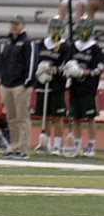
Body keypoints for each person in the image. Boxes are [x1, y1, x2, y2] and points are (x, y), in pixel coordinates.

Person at [64, 16, 102, 157]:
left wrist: (83, 72)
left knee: (90, 117)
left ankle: (91, 145)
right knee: (76, 118)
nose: (83, 31)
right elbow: (67, 64)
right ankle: (78, 145)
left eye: (86, 28)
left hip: (88, 87)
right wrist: (70, 71)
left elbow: (99, 68)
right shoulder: (73, 47)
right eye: (81, 29)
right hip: (75, 87)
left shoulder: (95, 48)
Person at [33, 16, 70, 155]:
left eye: (58, 28)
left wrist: (53, 69)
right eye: (54, 28)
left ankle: (57, 146)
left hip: (57, 85)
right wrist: (40, 70)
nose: (56, 30)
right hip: (42, 84)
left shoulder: (65, 46)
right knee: (45, 116)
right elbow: (36, 61)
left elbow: (66, 66)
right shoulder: (42, 44)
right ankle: (45, 144)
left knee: (58, 117)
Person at [0, 15, 35, 159]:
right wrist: (2, 80)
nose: (14, 26)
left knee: (22, 118)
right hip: (7, 84)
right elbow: (3, 62)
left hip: (20, 85)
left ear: (23, 25)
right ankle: (14, 147)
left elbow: (32, 63)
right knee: (11, 118)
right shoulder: (8, 43)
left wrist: (27, 82)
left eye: (17, 24)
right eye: (12, 23)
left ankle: (24, 149)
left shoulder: (28, 42)